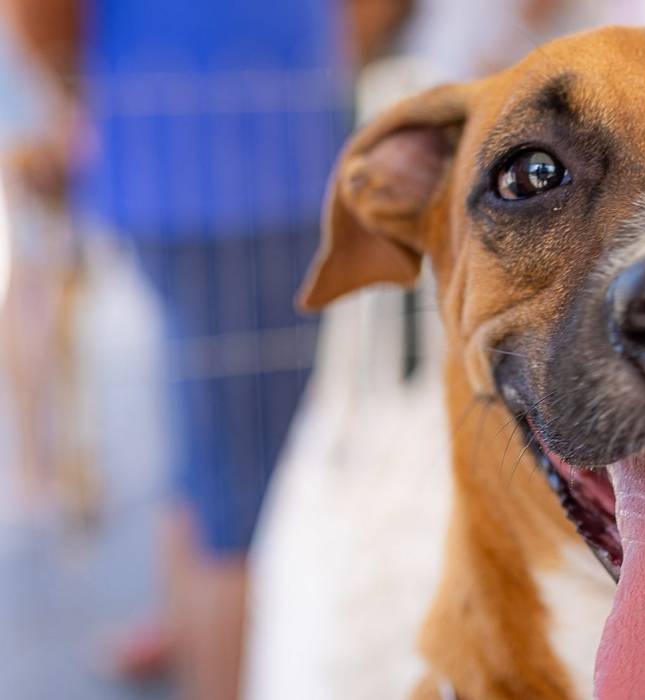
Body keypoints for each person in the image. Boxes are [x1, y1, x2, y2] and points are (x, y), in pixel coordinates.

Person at [1, 1, 409, 697]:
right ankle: (212, 661)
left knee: (215, 465)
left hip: (207, 165)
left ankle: (190, 635)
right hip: (243, 178)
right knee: (247, 505)